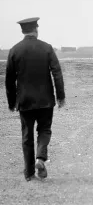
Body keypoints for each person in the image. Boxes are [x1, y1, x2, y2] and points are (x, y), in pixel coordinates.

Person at [5, 17, 66, 181]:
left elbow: (9, 80)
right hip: (46, 100)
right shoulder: (46, 48)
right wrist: (60, 96)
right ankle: (40, 158)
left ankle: (29, 173)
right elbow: (57, 73)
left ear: (23, 31)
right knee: (44, 130)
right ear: (36, 30)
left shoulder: (14, 50)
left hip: (24, 101)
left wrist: (12, 102)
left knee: (27, 136)